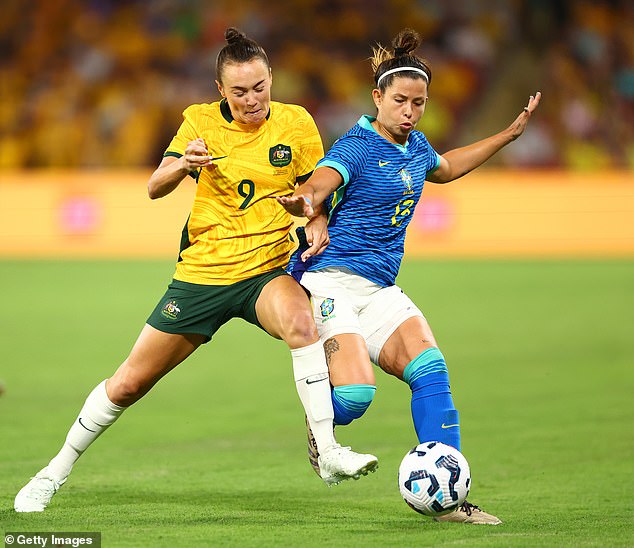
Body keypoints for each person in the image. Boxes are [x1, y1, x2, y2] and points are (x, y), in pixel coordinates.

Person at [14, 27, 378, 513]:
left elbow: (314, 193)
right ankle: (51, 473)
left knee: (301, 321)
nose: (252, 100)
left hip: (265, 271)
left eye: (260, 87)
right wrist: (183, 164)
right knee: (129, 383)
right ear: (221, 92)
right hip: (203, 275)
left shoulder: (296, 123)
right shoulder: (199, 122)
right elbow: (154, 186)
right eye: (240, 91)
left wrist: (315, 218)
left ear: (272, 79)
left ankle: (328, 451)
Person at [277, 28, 541, 525]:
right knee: (354, 398)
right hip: (330, 281)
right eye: (400, 101)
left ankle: (452, 503)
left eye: (419, 103)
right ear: (377, 97)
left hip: (379, 289)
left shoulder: (416, 147)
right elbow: (320, 183)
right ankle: (321, 423)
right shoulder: (354, 146)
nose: (410, 111)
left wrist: (508, 135)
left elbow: (443, 168)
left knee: (432, 372)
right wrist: (305, 201)